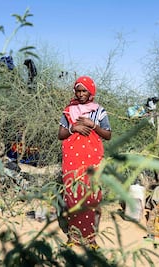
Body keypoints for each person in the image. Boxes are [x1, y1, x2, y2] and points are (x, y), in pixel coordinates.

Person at [58, 76, 111, 249]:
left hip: (92, 158)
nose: (81, 94)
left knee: (92, 195)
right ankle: (73, 236)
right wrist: (73, 128)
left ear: (91, 92)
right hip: (72, 159)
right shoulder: (68, 110)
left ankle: (91, 238)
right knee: (73, 195)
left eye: (84, 91)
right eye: (78, 91)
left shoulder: (99, 111)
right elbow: (61, 134)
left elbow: (108, 135)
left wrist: (92, 125)